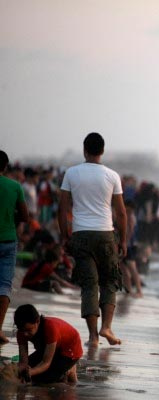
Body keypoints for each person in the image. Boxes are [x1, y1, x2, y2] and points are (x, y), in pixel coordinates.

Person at [58, 133, 127, 346]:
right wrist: (123, 240)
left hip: (81, 234)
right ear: (102, 151)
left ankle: (93, 336)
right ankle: (106, 326)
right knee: (110, 281)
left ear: (84, 150)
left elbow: (62, 209)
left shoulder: (71, 173)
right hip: (106, 234)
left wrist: (65, 236)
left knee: (89, 285)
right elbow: (121, 213)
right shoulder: (112, 176)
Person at [0, 150, 29, 344]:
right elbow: (25, 216)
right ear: (5, 167)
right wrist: (11, 218)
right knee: (4, 285)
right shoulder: (14, 186)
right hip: (8, 240)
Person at [14, 304, 82, 384]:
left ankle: (69, 370)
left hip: (70, 350)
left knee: (41, 381)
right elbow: (23, 362)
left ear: (38, 321)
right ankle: (63, 369)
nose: (25, 334)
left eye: (28, 330)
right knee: (25, 373)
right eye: (22, 330)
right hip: (50, 347)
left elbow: (46, 362)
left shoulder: (50, 328)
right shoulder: (21, 331)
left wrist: (31, 372)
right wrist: (20, 369)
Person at [121, 200, 143, 297]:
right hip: (127, 244)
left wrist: (124, 243)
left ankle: (139, 290)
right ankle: (128, 289)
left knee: (132, 268)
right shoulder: (128, 215)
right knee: (123, 267)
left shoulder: (130, 217)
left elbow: (129, 232)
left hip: (129, 245)